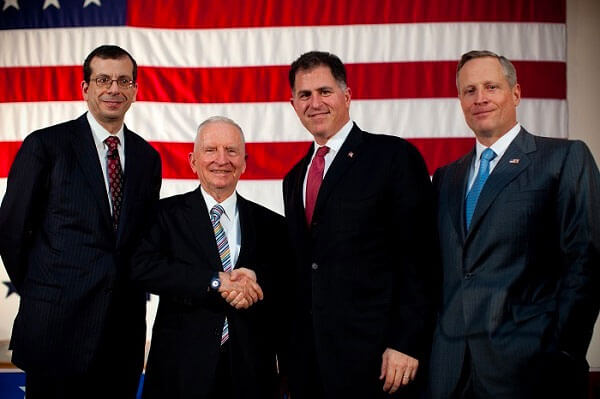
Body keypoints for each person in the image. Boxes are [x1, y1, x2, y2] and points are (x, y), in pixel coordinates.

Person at [428, 50, 600, 399]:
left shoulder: (564, 158)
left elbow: (586, 262)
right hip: (450, 371)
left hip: (531, 370)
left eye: (491, 87)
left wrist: (563, 353)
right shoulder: (446, 177)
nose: (480, 98)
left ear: (516, 93)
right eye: (469, 90)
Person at [0, 45, 162, 398]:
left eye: (123, 81)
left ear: (135, 90)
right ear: (85, 88)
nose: (113, 89)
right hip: (55, 328)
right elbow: (11, 231)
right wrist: (46, 289)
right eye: (103, 79)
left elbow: (142, 241)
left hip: (122, 335)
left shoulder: (148, 158)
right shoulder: (46, 145)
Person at [282, 51, 438, 399]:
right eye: (304, 95)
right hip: (313, 365)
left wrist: (406, 342)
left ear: (347, 96)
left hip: (381, 362)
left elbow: (421, 258)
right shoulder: (294, 178)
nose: (315, 103)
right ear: (293, 104)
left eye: (325, 91)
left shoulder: (393, 157)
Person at [131, 116, 288, 399]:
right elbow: (142, 268)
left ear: (245, 161)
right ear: (193, 161)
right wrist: (214, 282)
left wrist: (255, 282)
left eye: (231, 150)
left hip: (252, 374)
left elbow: (288, 279)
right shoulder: (163, 215)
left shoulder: (272, 224)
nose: (221, 159)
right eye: (211, 150)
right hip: (180, 372)